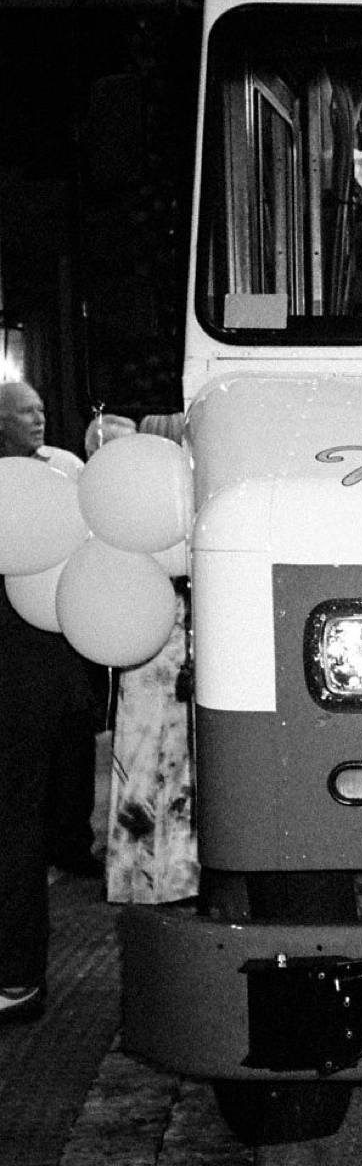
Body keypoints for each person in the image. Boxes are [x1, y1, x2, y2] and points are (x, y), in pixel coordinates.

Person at [0, 381, 99, 1024]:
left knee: (14, 825)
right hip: (40, 671)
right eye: (25, 412)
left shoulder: (58, 475)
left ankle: (16, 976)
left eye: (41, 409)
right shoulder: (47, 484)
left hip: (28, 676)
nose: (38, 418)